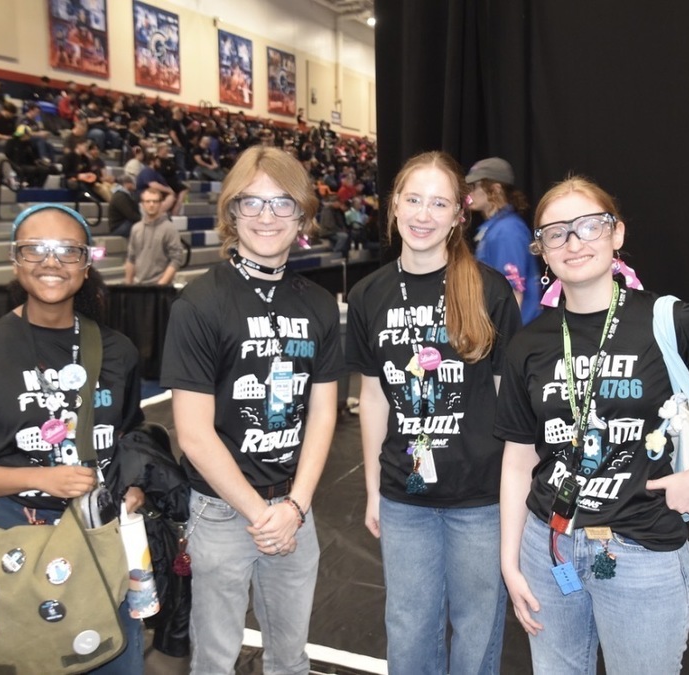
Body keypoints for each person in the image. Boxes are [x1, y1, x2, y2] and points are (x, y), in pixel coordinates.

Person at [495, 176, 689, 675]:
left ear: (617, 233)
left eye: (589, 225)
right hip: (549, 548)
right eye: (556, 232)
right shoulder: (529, 343)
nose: (574, 241)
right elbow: (519, 458)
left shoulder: (669, 320)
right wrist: (510, 560)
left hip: (640, 554)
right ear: (542, 250)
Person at [0, 203, 148, 673]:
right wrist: (41, 478)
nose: (51, 261)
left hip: (101, 534)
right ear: (15, 259)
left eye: (68, 250)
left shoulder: (118, 351)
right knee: (33, 656)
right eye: (35, 249)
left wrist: (135, 485)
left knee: (114, 656)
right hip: (19, 538)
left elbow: (131, 434)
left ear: (86, 263)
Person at [160, 146, 343, 673]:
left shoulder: (318, 303)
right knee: (215, 661)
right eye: (252, 202)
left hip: (294, 508)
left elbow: (323, 413)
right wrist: (262, 515)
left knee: (291, 659)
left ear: (302, 216)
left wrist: (295, 508)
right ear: (232, 211)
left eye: (283, 203)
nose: (267, 216)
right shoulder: (200, 303)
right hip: (220, 510)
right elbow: (194, 434)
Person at [345, 151, 521, 675]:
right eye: (414, 200)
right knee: (409, 629)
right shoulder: (368, 295)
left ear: (459, 214)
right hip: (405, 496)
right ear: (394, 206)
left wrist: (513, 496)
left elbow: (509, 403)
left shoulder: (488, 289)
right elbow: (373, 397)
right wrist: (373, 489)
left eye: (439, 203)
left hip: (480, 498)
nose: (424, 214)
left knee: (477, 628)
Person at [466, 156, 542, 324]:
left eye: (474, 186)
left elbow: (514, 291)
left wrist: (507, 336)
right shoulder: (494, 228)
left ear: (495, 189)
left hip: (516, 330)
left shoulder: (507, 230)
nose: (469, 193)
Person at [124, 187, 187, 285]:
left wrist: (161, 285)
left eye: (155, 201)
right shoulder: (136, 228)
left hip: (160, 287)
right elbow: (131, 258)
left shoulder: (169, 229)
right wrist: (127, 285)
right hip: (138, 285)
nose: (151, 204)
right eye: (148, 201)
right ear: (142, 204)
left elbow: (176, 259)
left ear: (160, 203)